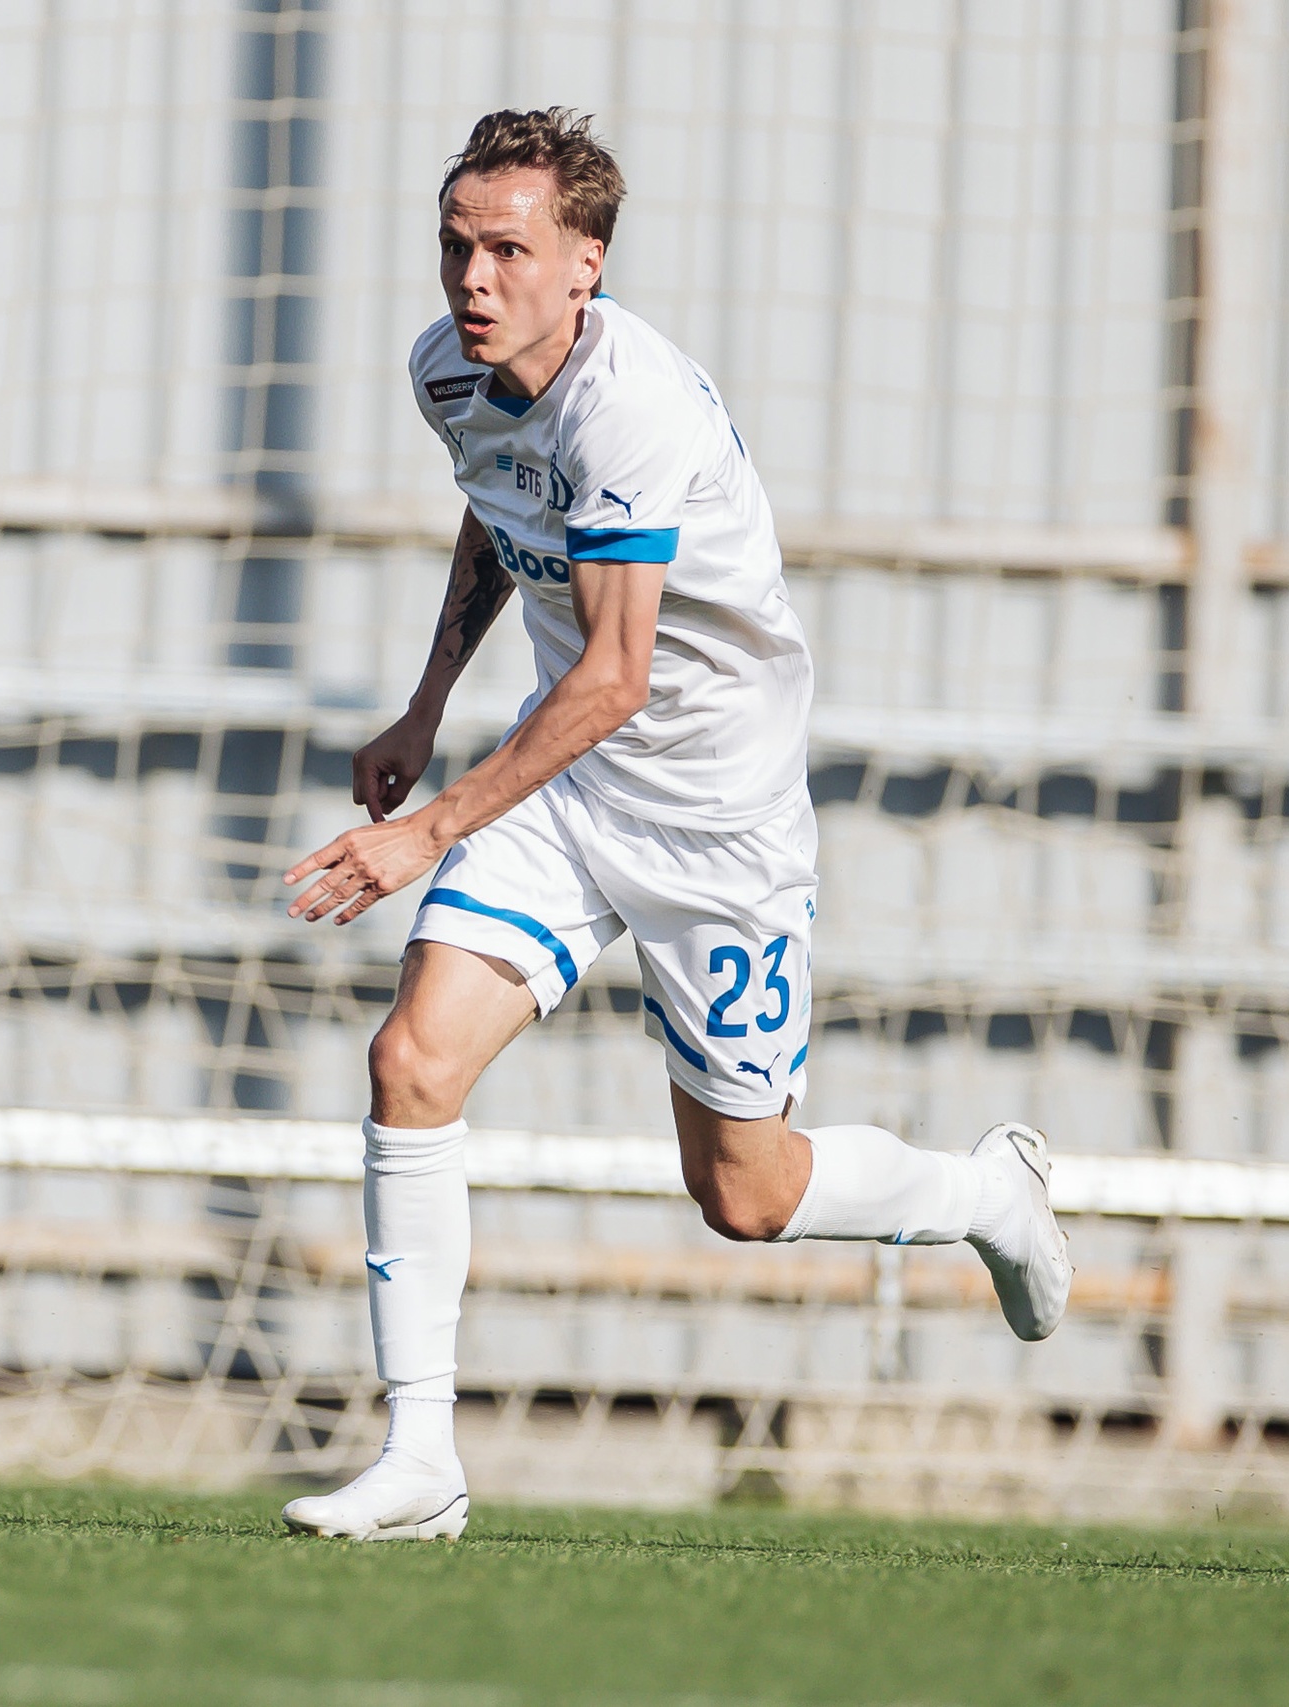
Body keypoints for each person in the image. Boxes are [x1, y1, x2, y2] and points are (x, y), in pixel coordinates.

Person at [275, 108, 1071, 1541]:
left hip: (716, 825)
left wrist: (430, 828)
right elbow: (496, 507)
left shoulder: (632, 406)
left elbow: (618, 673)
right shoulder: (446, 370)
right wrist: (421, 704)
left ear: (585, 264)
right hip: (565, 794)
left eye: (507, 248)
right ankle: (422, 1460)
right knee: (410, 1059)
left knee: (746, 1195)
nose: (472, 275)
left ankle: (982, 1195)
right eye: (456, 243)